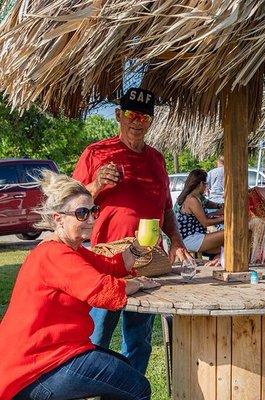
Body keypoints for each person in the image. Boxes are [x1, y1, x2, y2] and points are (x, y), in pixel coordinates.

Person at [0, 171, 158, 400]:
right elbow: (103, 290)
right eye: (82, 213)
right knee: (136, 387)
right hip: (35, 368)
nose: (92, 220)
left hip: (52, 354)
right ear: (58, 219)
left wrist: (137, 248)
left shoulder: (73, 251)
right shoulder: (53, 254)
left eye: (93, 211)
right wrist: (137, 282)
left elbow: (110, 266)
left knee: (126, 370)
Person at [72, 87, 191, 374]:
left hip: (146, 261)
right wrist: (97, 185)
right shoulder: (97, 153)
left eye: (144, 117)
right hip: (106, 259)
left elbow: (166, 209)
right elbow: (70, 204)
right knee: (97, 334)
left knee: (139, 340)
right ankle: (90, 388)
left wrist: (175, 240)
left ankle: (132, 390)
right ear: (118, 115)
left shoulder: (157, 159)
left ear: (150, 121)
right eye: (130, 114)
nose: (137, 121)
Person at [175, 169, 224, 254]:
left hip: (193, 237)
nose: (206, 187)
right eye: (206, 184)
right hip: (190, 240)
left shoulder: (193, 197)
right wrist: (226, 218)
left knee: (226, 248)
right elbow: (205, 222)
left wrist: (219, 211)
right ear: (201, 184)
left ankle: (216, 261)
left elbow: (205, 213)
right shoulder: (192, 199)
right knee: (231, 232)